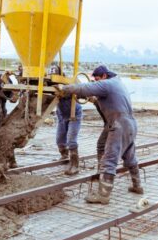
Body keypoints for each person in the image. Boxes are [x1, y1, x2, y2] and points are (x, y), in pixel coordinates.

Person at [55, 65, 143, 205]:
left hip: (119, 124)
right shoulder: (117, 82)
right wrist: (93, 100)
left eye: (97, 79)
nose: (95, 82)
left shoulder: (107, 84)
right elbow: (108, 101)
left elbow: (84, 88)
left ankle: (103, 195)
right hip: (129, 124)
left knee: (110, 158)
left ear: (103, 76)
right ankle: (137, 185)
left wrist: (64, 89)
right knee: (125, 153)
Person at [51, 65, 82, 175]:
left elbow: (81, 90)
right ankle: (64, 156)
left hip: (74, 114)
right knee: (60, 139)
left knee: (71, 140)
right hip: (61, 114)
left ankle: (75, 165)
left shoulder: (69, 82)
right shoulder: (51, 84)